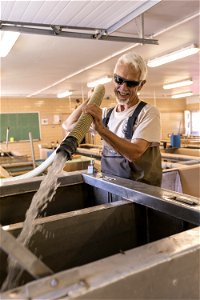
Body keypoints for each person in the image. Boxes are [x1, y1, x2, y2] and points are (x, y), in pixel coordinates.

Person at [62, 51, 162, 186]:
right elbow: (68, 125)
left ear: (141, 84)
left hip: (141, 195)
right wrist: (90, 100)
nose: (123, 88)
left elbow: (134, 153)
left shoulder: (148, 112)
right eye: (119, 80)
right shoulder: (106, 115)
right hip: (112, 188)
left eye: (131, 83)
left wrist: (101, 129)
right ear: (114, 78)